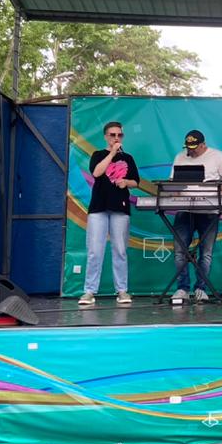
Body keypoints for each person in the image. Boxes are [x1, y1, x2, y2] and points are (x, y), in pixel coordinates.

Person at [80, 121, 139, 307]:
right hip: (98, 208)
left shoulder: (128, 158)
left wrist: (126, 182)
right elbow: (97, 173)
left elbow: (136, 182)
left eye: (119, 135)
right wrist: (112, 153)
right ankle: (89, 291)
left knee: (120, 250)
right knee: (94, 251)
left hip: (120, 208)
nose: (116, 138)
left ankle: (122, 290)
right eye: (112, 135)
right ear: (106, 137)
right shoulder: (98, 154)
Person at [171, 129, 222, 303]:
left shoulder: (217, 156)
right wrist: (175, 195)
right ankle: (182, 289)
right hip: (185, 210)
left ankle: (201, 288)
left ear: (203, 145)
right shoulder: (180, 157)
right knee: (179, 252)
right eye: (188, 148)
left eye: (194, 148)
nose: (190, 151)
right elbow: (173, 183)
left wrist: (220, 197)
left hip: (209, 211)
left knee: (205, 253)